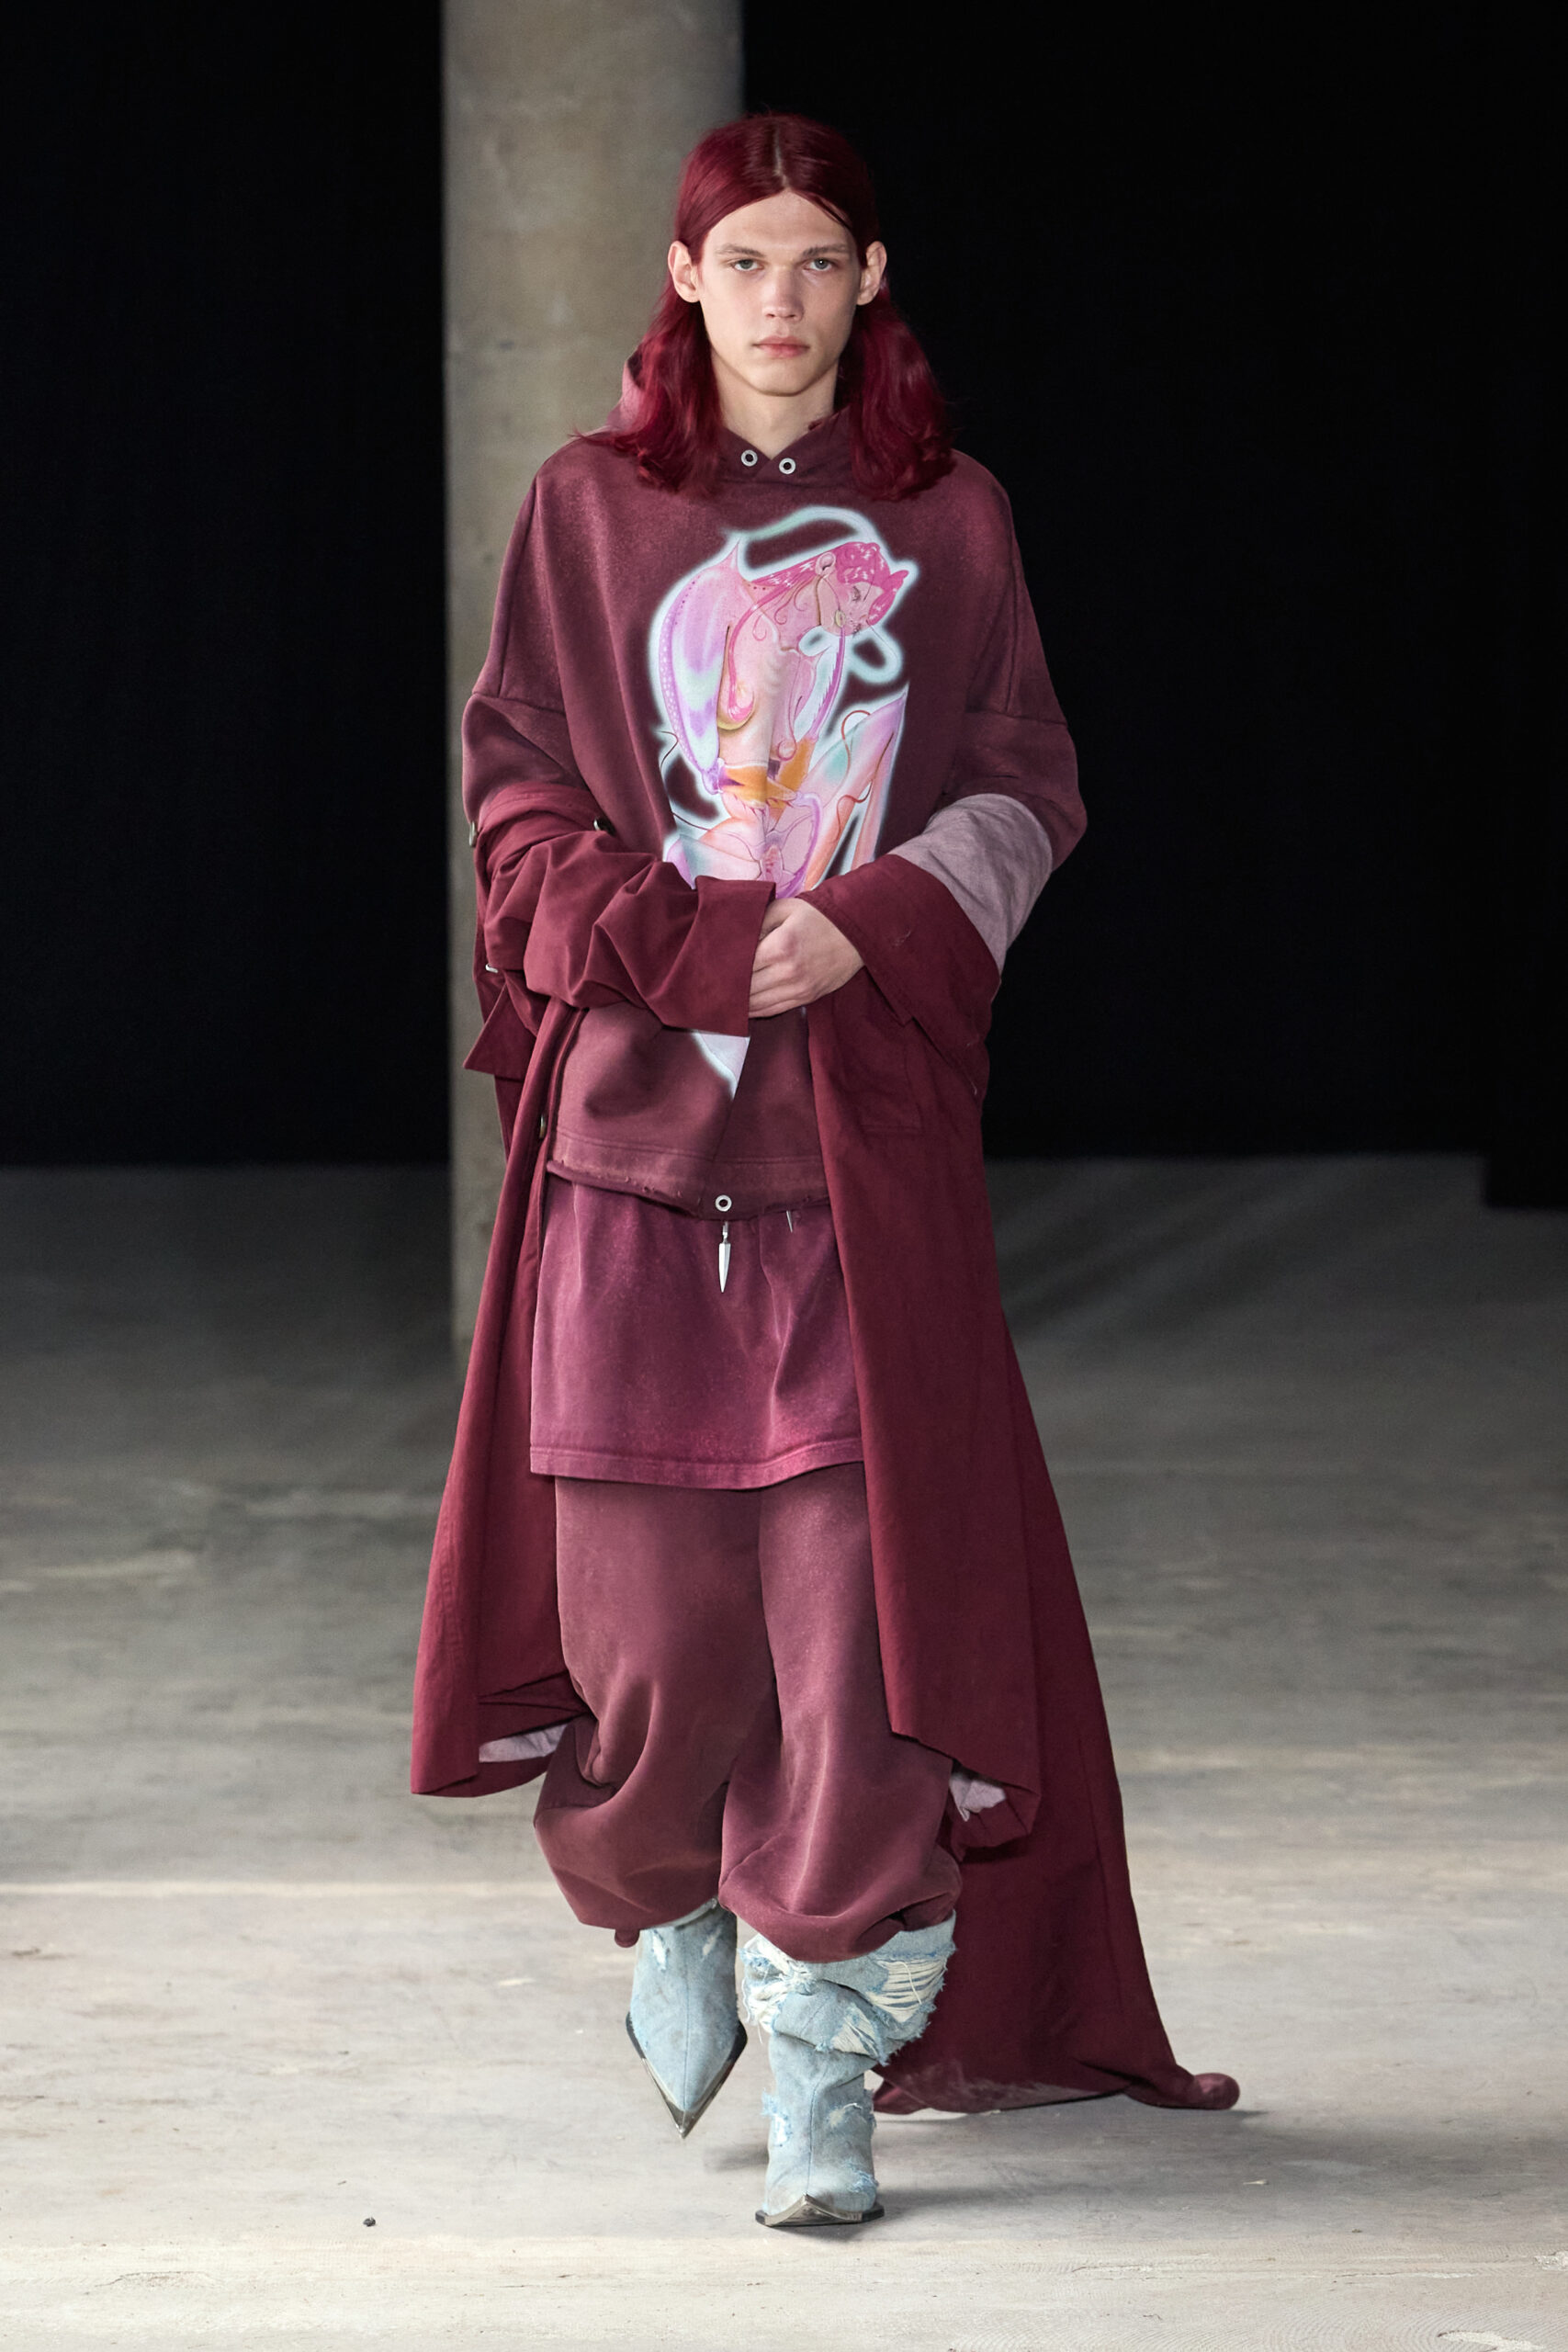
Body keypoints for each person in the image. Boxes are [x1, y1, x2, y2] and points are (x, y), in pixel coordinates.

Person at [412, 110, 1235, 2231]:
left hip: (850, 1173)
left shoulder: (947, 520)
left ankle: (823, 2057)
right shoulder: (586, 511)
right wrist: (693, 941)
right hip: (626, 1165)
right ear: (682, 282)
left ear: (869, 283)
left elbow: (1022, 786)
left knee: (858, 1640)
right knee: (649, 1652)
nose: (777, 299)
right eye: (741, 260)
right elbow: (514, 794)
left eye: (816, 261)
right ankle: (670, 1896)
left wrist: (862, 923)